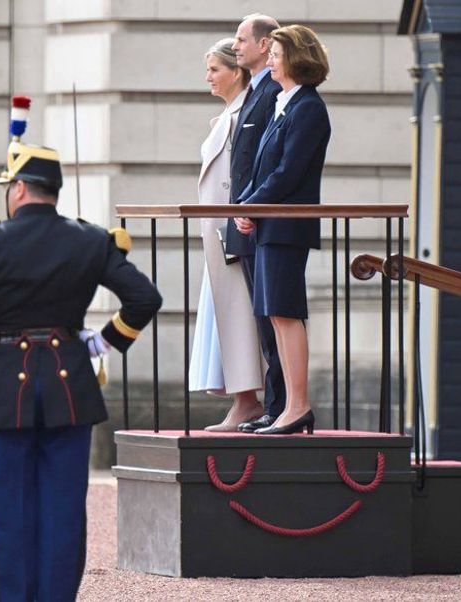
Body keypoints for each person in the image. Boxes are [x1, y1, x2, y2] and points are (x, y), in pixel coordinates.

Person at [0, 95, 162, 600]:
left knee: (7, 510)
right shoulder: (90, 240)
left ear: (18, 189)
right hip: (70, 381)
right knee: (64, 509)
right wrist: (103, 341)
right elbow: (143, 298)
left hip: (3, 384)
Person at [235, 24, 332, 435]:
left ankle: (298, 405)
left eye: (275, 53)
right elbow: (265, 169)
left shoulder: (308, 107)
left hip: (286, 226)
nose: (270, 59)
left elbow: (288, 171)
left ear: (294, 58)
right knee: (275, 315)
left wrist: (251, 206)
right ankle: (288, 407)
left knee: (286, 314)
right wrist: (249, 206)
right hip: (270, 224)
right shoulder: (286, 104)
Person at [189, 38, 266, 431]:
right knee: (226, 317)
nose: (209, 78)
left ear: (237, 72)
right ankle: (243, 399)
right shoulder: (229, 115)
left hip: (231, 233)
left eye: (215, 70)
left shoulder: (243, 114)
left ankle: (247, 401)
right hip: (219, 234)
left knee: (237, 318)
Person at [228, 13, 286, 433]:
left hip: (258, 219)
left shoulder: (271, 93)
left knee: (271, 320)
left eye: (242, 38)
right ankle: (274, 404)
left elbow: (267, 165)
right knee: (262, 321)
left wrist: (249, 207)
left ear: (266, 45)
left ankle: (280, 406)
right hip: (245, 218)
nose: (235, 46)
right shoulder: (255, 90)